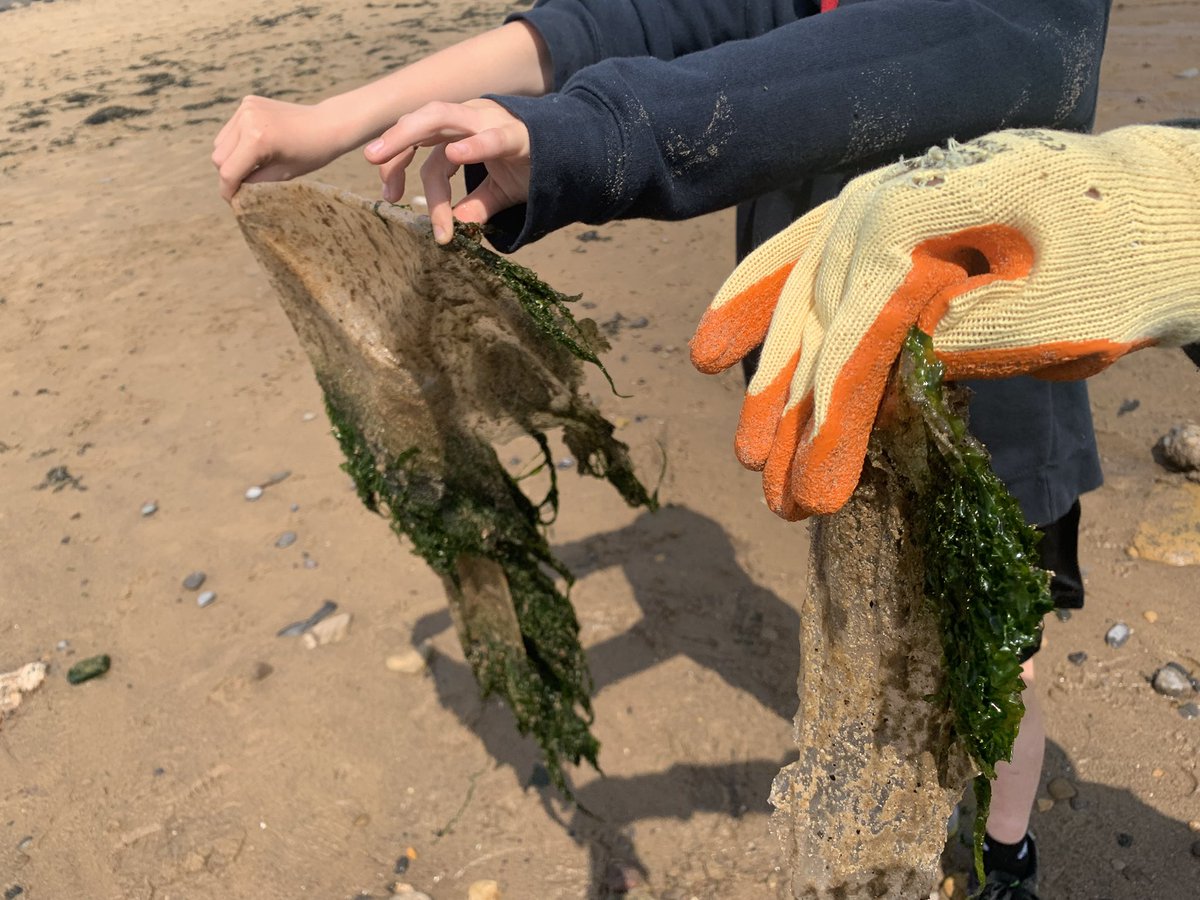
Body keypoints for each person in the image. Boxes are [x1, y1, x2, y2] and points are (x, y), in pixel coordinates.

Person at [213, 3, 1150, 896]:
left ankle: (1005, 854)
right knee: (882, 617)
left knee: (1000, 644)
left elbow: (974, 41)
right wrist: (343, 119)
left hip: (1006, 368)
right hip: (828, 384)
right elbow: (634, 17)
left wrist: (598, 133)